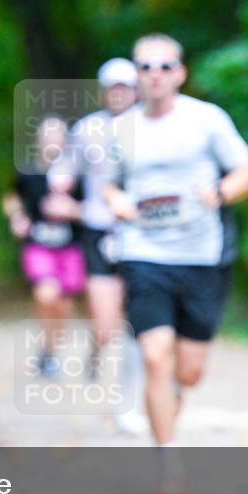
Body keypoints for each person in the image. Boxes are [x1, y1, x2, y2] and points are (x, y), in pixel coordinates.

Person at [105, 33, 248, 494]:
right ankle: (169, 467)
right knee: (155, 357)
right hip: (143, 253)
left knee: (188, 373)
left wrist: (219, 193)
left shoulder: (206, 120)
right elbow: (108, 188)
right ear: (135, 75)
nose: (154, 74)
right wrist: (120, 206)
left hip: (201, 256)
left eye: (163, 66)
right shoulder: (119, 131)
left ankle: (170, 396)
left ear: (179, 72)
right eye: (144, 66)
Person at [66, 57, 146, 435]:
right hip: (99, 232)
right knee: (106, 325)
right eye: (113, 87)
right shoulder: (87, 129)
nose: (119, 93)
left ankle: (125, 404)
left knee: (136, 323)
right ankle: (97, 349)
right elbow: (64, 173)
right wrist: (63, 197)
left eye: (125, 86)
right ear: (104, 91)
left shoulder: (151, 125)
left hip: (142, 233)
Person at [3, 115, 86, 378]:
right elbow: (11, 197)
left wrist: (74, 211)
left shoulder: (77, 174)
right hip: (39, 246)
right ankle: (48, 353)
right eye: (47, 136)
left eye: (57, 136)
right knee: (46, 294)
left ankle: (49, 351)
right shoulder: (28, 171)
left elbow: (95, 208)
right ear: (38, 141)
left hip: (70, 248)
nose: (52, 141)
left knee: (63, 305)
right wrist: (17, 217)